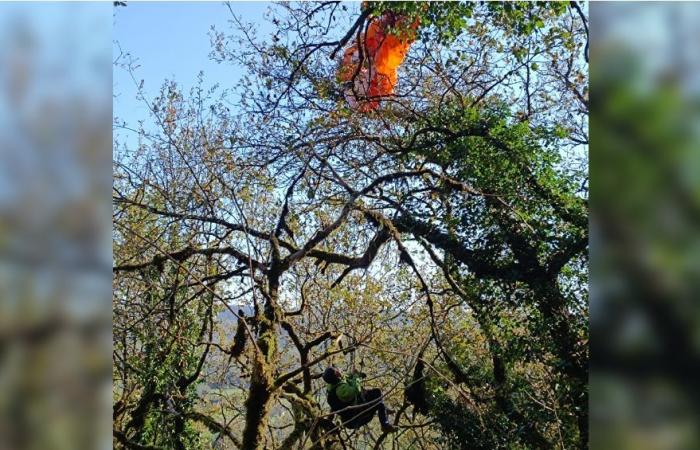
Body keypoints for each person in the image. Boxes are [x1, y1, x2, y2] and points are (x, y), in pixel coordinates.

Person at [323, 366, 397, 433]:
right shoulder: (341, 390)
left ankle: (384, 410)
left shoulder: (336, 381)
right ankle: (385, 425)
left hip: (358, 405)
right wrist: (356, 377)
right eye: (337, 370)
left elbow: (346, 377)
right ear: (336, 374)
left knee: (377, 392)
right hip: (357, 414)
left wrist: (357, 374)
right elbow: (356, 390)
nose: (339, 369)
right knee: (379, 404)